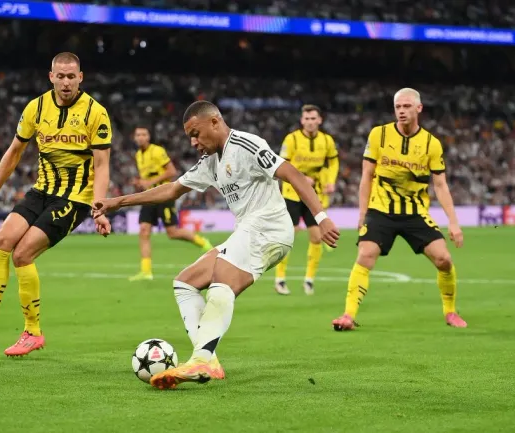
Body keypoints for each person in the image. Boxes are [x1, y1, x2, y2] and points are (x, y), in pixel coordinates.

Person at [92, 101, 340, 389]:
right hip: (248, 231)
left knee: (222, 276)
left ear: (214, 122)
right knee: (185, 283)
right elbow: (172, 190)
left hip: (269, 227)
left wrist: (322, 218)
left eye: (196, 134)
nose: (194, 142)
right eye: (189, 137)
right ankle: (209, 360)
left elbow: (293, 174)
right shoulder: (210, 163)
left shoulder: (247, 145)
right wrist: (115, 202)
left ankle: (202, 358)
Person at [0, 52, 113, 356]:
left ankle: (33, 332)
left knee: (22, 254)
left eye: (71, 76)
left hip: (74, 198)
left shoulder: (96, 113)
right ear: (50, 76)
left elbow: (102, 165)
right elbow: (14, 152)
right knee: (2, 240)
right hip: (41, 190)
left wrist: (98, 207)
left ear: (81, 77)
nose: (66, 82)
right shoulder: (36, 108)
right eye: (60, 76)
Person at [332, 88, 467, 331]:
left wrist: (453, 222)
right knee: (365, 254)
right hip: (380, 209)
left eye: (406, 106)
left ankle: (450, 312)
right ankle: (348, 315)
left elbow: (440, 185)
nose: (401, 111)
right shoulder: (378, 135)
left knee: (444, 259)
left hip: (415, 213)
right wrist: (362, 214)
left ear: (419, 108)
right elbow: (367, 176)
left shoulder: (431, 144)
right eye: (398, 107)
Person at [129, 126, 213, 281]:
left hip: (163, 195)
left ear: (148, 137)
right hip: (149, 196)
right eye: (138, 134)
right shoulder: (138, 155)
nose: (140, 137)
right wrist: (141, 183)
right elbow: (148, 178)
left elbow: (171, 171)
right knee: (144, 230)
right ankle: (146, 271)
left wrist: (150, 181)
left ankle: (204, 243)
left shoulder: (157, 151)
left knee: (173, 233)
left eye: (143, 134)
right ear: (134, 138)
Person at [274, 105, 339, 296]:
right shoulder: (292, 139)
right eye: (307, 119)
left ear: (319, 120)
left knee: (317, 237)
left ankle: (309, 280)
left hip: (314, 193)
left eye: (313, 118)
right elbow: (282, 164)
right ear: (302, 121)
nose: (310, 122)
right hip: (292, 193)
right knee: (289, 235)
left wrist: (331, 181)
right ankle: (280, 279)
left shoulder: (327, 140)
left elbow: (333, 161)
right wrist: (301, 177)